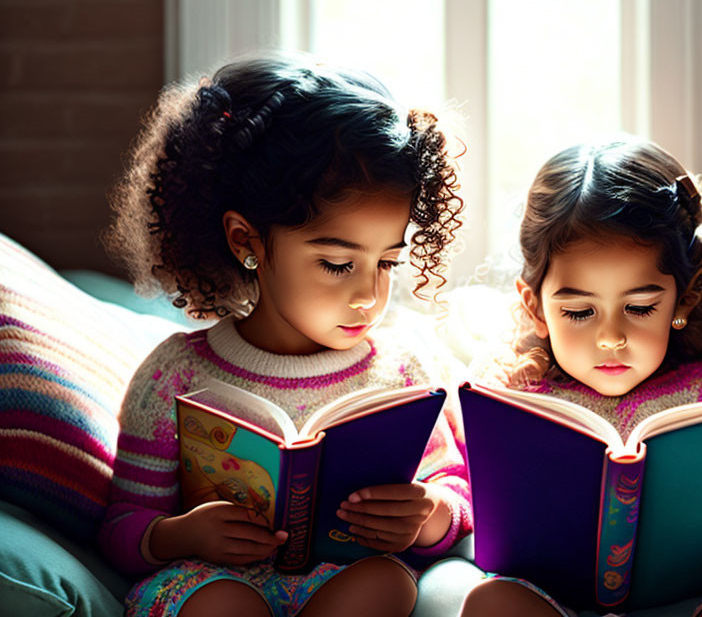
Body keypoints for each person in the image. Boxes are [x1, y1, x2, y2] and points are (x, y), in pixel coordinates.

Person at [99, 55, 470, 617]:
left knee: (388, 584)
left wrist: (427, 515)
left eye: (388, 262)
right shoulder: (174, 374)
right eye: (338, 264)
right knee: (219, 602)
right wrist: (182, 536)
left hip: (340, 584)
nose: (369, 294)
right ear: (247, 239)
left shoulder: (401, 371)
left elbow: (456, 494)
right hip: (211, 584)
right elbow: (123, 529)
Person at [459, 138, 702, 617]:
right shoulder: (512, 393)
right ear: (537, 308)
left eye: (639, 307)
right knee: (492, 603)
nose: (611, 337)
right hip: (554, 602)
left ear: (684, 299)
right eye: (579, 311)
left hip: (696, 601)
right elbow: (463, 498)